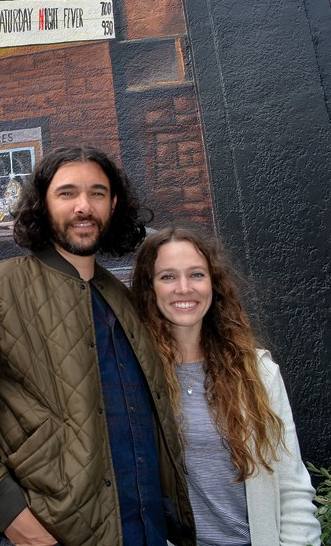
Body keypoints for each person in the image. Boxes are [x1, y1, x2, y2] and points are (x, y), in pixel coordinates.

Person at [0, 146, 195, 546]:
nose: (84, 206)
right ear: (42, 204)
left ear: (113, 205)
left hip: (144, 530)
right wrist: (8, 512)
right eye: (67, 193)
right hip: (48, 534)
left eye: (97, 193)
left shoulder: (121, 297)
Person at [130, 226, 321, 546]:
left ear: (213, 284)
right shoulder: (136, 377)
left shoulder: (257, 373)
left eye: (196, 274)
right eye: (167, 277)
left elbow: (293, 490)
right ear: (150, 289)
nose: (184, 288)